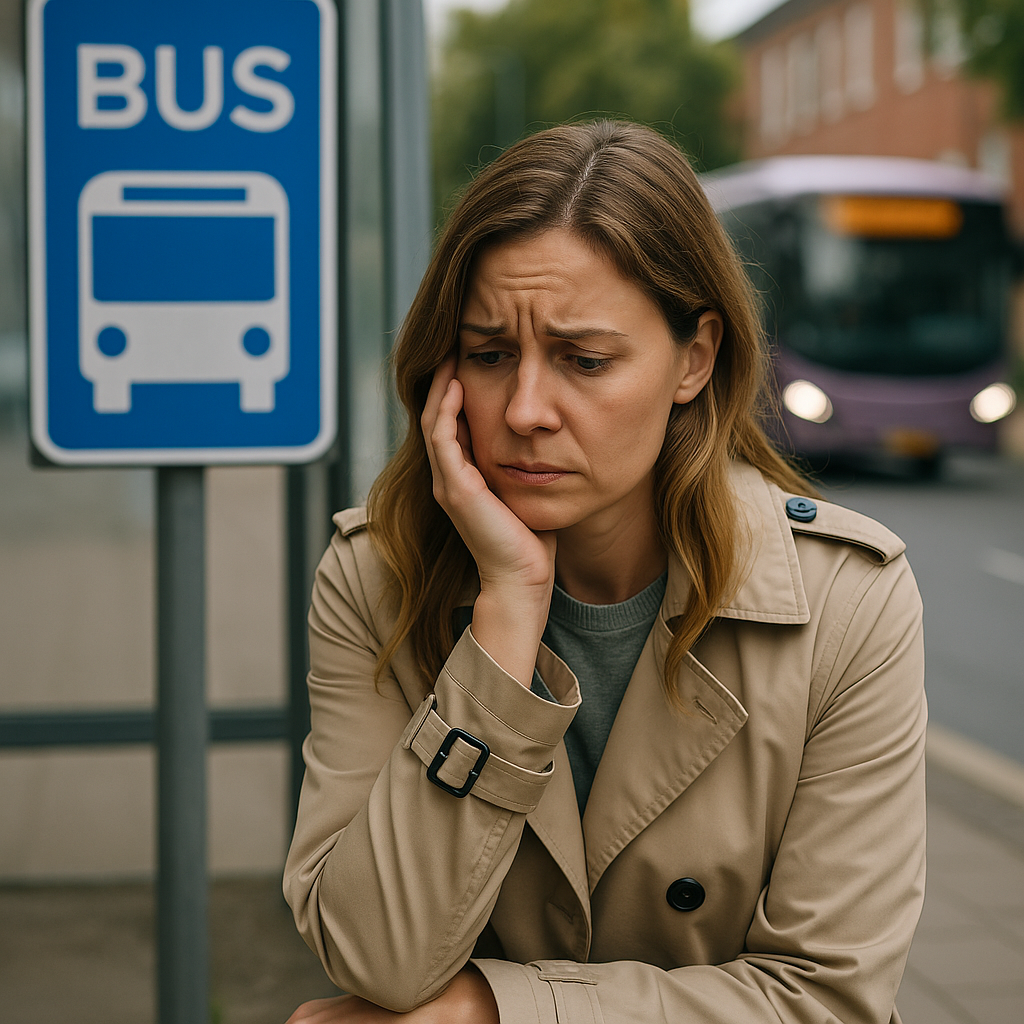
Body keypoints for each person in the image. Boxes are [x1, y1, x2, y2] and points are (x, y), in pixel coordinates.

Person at [283, 121, 926, 1024]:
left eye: (585, 360)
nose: (525, 410)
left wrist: (489, 1012)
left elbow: (828, 1000)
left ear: (693, 360)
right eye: (488, 354)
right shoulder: (377, 578)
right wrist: (506, 610)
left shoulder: (846, 601)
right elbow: (377, 954)